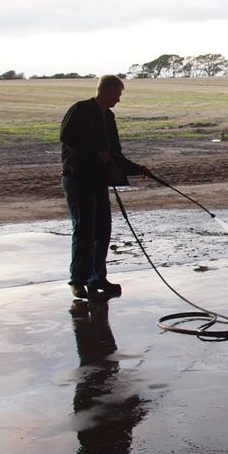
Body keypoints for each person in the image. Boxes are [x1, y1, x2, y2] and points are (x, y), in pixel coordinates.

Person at [60, 74, 149, 299]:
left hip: (99, 181)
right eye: (118, 94)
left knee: (102, 229)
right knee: (84, 228)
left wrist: (137, 168)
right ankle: (78, 281)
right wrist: (95, 154)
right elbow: (67, 136)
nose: (119, 99)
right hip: (78, 179)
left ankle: (97, 278)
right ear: (107, 91)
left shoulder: (108, 117)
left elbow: (114, 153)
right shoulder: (80, 110)